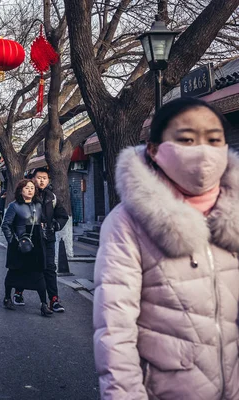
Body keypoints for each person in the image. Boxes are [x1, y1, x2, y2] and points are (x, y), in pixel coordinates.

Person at [94, 97, 239, 399]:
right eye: (186, 139)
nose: (203, 151)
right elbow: (115, 329)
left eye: (214, 140)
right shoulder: (127, 223)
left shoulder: (232, 216)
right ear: (154, 149)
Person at [14, 168, 68, 312]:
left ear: (48, 180)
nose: (42, 180)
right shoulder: (27, 195)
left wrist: (55, 225)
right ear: (33, 179)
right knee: (26, 266)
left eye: (45, 178)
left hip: (48, 238)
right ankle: (18, 292)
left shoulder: (52, 197)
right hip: (30, 239)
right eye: (39, 178)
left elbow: (63, 215)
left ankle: (54, 300)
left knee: (49, 268)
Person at [1, 179, 51, 317]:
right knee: (14, 272)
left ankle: (44, 304)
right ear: (20, 190)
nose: (30, 190)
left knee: (39, 273)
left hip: (36, 242)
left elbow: (44, 222)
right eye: (27, 188)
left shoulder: (38, 205)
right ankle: (7, 297)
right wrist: (12, 241)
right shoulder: (14, 206)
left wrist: (44, 234)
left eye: (32, 188)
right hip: (19, 242)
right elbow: (6, 225)